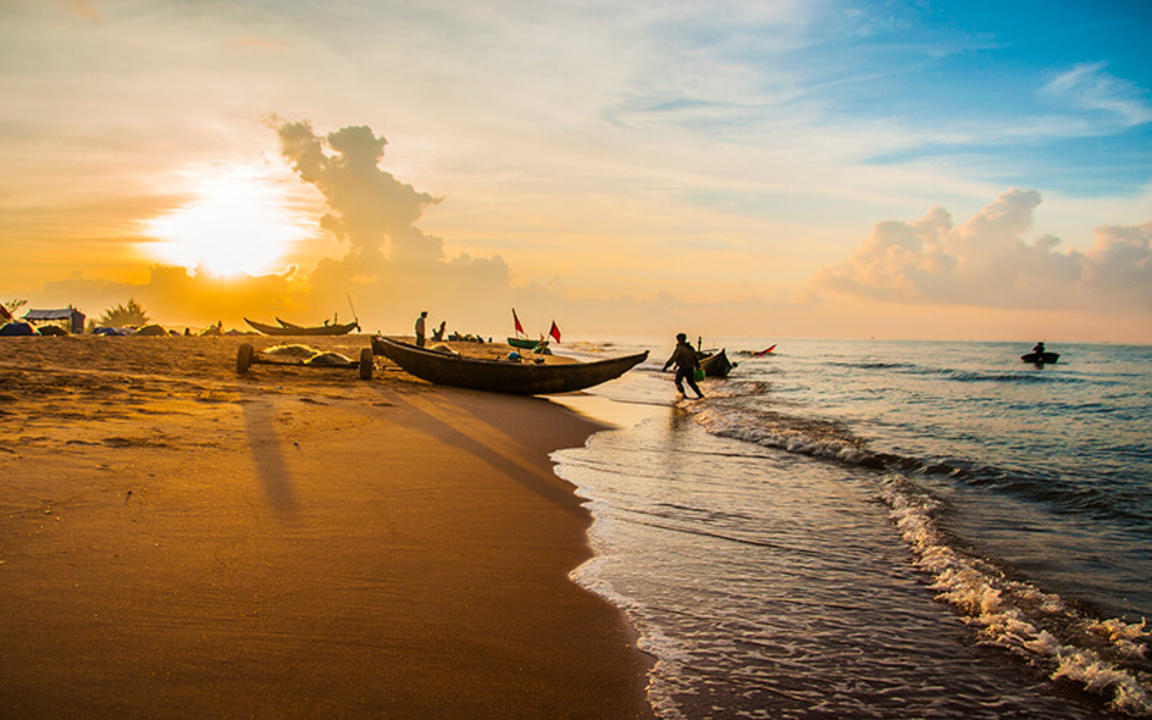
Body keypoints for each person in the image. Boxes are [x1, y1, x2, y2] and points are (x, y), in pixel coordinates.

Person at [663, 332, 705, 399]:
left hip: (683, 368)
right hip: (690, 368)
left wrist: (666, 366)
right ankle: (700, 395)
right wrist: (697, 366)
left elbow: (673, 358)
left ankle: (683, 394)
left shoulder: (680, 348)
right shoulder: (690, 347)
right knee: (691, 382)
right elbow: (694, 358)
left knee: (678, 382)